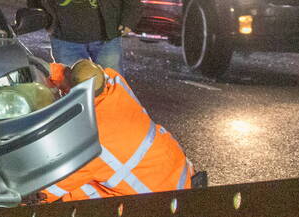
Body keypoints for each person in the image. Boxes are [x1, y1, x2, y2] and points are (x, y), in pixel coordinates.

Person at [42, 59, 200, 202]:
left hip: (161, 203)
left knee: (70, 198)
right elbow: (88, 76)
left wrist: (24, 198)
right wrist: (51, 71)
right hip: (178, 174)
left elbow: (47, 190)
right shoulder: (115, 85)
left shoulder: (91, 141)